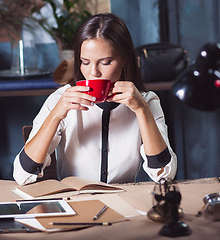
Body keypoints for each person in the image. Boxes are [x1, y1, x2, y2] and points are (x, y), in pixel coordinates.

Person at [13, 13, 177, 185]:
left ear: (125, 59)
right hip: (76, 202)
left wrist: (141, 110)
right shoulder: (62, 99)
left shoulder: (147, 102)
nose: (94, 72)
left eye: (105, 62)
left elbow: (164, 174)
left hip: (124, 202)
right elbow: (22, 174)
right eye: (85, 62)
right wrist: (56, 115)